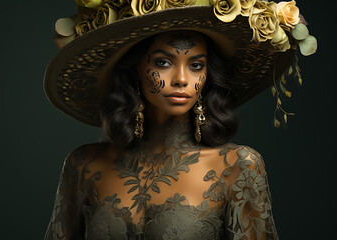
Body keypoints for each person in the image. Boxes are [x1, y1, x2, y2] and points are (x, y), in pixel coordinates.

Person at [43, 0, 316, 239]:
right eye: (163, 62)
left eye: (196, 65)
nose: (182, 79)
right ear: (135, 68)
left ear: (208, 74)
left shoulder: (237, 166)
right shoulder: (83, 166)